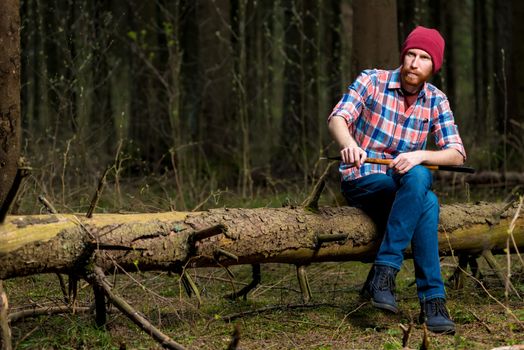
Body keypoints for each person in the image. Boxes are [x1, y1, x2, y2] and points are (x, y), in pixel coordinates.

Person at [327, 26, 466, 334]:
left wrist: (420, 155)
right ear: (403, 57)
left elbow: (457, 154)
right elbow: (338, 117)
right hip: (364, 179)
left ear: (434, 66)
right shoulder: (372, 80)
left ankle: (384, 276)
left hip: (405, 185)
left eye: (424, 58)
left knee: (419, 178)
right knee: (426, 201)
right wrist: (347, 143)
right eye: (410, 55)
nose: (414, 63)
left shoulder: (436, 100)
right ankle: (432, 299)